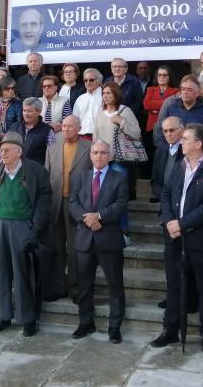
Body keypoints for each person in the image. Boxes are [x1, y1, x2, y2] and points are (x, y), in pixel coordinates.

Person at [151, 124, 203, 354]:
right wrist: (170, 221)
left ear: (198, 143)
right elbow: (165, 193)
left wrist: (182, 224)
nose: (181, 142)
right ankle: (170, 329)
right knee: (173, 285)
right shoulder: (180, 166)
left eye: (185, 138)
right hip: (173, 237)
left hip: (199, 239)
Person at [0, 132, 52, 337]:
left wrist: (35, 226)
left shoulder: (36, 171)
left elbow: (45, 197)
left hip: (23, 226)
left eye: (6, 150)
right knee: (2, 272)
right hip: (1, 226)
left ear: (19, 151)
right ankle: (5, 315)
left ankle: (28, 318)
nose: (2, 153)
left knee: (24, 275)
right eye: (1, 150)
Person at [69, 139, 128, 343]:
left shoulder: (119, 178)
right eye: (95, 152)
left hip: (109, 239)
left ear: (109, 155)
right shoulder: (79, 178)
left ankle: (115, 326)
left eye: (103, 153)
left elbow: (120, 204)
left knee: (115, 284)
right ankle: (85, 322)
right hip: (85, 238)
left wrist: (99, 216)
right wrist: (88, 219)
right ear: (90, 155)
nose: (99, 156)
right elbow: (73, 203)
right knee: (84, 285)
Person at [44, 115, 91, 303]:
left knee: (75, 248)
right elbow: (47, 177)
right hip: (56, 202)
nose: (66, 129)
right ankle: (58, 286)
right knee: (56, 247)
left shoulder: (89, 148)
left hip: (78, 204)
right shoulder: (52, 147)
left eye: (70, 126)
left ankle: (76, 288)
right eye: (63, 126)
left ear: (79, 128)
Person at [93, 82, 142, 201]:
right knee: (103, 195)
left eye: (108, 93)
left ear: (116, 94)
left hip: (119, 159)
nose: (105, 96)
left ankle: (121, 219)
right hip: (102, 159)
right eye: (103, 93)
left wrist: (121, 122)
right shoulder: (99, 112)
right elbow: (96, 136)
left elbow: (137, 133)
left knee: (118, 195)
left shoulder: (125, 111)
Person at [154, 75, 203, 154]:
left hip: (196, 156)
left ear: (197, 92)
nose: (185, 92)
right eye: (183, 89)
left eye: (189, 90)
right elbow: (160, 131)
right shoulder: (171, 109)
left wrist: (201, 154)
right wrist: (166, 151)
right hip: (172, 155)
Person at [8, 98, 52, 166]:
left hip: (35, 171)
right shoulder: (14, 127)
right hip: (14, 169)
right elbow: (5, 147)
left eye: (30, 111)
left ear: (39, 112)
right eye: (24, 110)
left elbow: (52, 155)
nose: (26, 114)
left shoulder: (48, 130)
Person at [151, 117, 184, 203]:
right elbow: (155, 181)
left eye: (171, 130)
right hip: (165, 203)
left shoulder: (187, 151)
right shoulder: (160, 151)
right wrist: (164, 197)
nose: (168, 134)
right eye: (165, 131)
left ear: (181, 130)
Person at [39, 75, 71, 146]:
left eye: (49, 86)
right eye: (44, 86)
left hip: (58, 137)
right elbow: (34, 120)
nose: (46, 88)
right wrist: (49, 126)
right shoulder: (37, 101)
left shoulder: (64, 100)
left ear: (56, 87)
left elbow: (67, 120)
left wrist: (57, 126)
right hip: (40, 137)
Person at [72, 68, 103, 138]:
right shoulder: (80, 99)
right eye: (85, 80)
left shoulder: (105, 97)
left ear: (99, 82)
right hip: (81, 137)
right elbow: (74, 120)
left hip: (100, 137)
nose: (88, 83)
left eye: (91, 80)